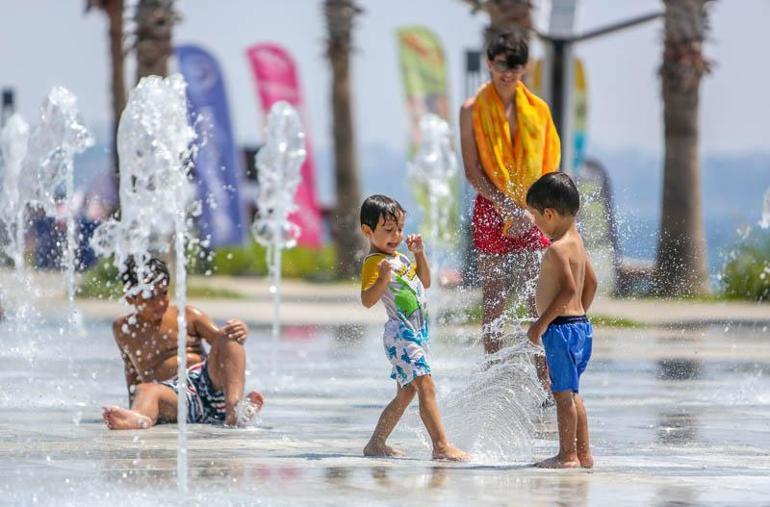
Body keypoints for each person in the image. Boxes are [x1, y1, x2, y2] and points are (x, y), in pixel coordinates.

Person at [459, 31, 561, 355]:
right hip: (491, 204)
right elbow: (472, 170)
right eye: (502, 64)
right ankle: (492, 368)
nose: (508, 73)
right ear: (489, 63)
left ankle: (544, 376)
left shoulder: (538, 110)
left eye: (515, 67)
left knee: (538, 293)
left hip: (534, 209)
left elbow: (549, 167)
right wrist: (505, 206)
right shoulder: (472, 109)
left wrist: (529, 213)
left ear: (525, 68)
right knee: (493, 292)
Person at [359, 195, 467, 461]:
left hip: (416, 335)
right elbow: (367, 301)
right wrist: (383, 277)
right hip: (401, 336)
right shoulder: (375, 263)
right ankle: (441, 446)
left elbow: (425, 282)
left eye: (399, 229)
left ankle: (376, 443)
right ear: (367, 231)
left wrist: (419, 254)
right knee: (426, 387)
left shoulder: (401, 259)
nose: (395, 235)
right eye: (387, 230)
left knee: (407, 393)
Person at [102, 256, 264, 430]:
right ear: (130, 297)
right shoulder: (123, 329)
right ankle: (141, 418)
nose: (160, 302)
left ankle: (234, 409)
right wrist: (136, 405)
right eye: (150, 296)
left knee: (229, 337)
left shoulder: (187, 315)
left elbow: (222, 346)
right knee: (146, 389)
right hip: (174, 398)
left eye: (163, 293)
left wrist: (240, 331)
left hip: (207, 385)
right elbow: (131, 369)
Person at [525, 173, 597, 468]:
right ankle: (584, 454)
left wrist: (541, 324)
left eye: (534, 215)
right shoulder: (576, 242)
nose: (533, 222)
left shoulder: (556, 249)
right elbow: (591, 284)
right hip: (579, 327)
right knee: (573, 391)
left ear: (550, 214)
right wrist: (580, 312)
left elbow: (568, 288)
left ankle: (567, 455)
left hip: (561, 330)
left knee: (562, 394)